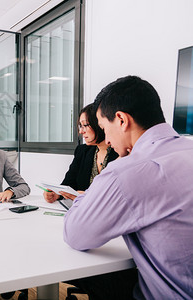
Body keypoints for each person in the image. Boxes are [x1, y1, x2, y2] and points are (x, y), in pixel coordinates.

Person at [64, 76, 193, 299]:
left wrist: (86, 196)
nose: (108, 139)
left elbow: (75, 233)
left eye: (105, 128)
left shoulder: (127, 170)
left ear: (122, 120)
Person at [44, 104, 118, 203]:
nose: (81, 131)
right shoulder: (82, 151)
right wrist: (57, 194)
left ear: (99, 123)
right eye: (80, 126)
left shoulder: (121, 152)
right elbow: (69, 184)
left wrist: (88, 196)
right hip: (83, 212)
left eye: (85, 125)